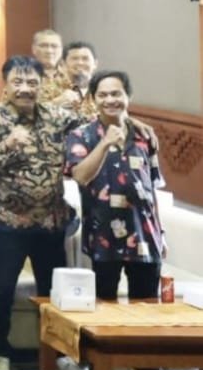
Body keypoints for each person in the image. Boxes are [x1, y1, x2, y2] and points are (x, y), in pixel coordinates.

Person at [0, 56, 79, 370]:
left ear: (42, 85)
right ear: (5, 85)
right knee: (1, 289)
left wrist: (131, 123)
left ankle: (56, 353)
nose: (25, 88)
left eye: (32, 82)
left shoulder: (58, 117)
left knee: (53, 291)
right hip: (7, 223)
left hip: (50, 222)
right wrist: (7, 144)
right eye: (18, 82)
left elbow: (94, 129)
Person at [66, 71, 165, 304]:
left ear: (128, 96)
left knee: (146, 311)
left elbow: (152, 189)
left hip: (145, 238)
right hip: (103, 238)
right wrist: (105, 143)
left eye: (116, 94)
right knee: (103, 310)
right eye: (102, 95)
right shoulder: (81, 136)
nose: (110, 100)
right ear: (93, 99)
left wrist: (161, 234)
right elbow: (80, 176)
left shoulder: (145, 136)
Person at [51, 41, 99, 117]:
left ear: (95, 64)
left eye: (85, 58)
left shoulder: (103, 90)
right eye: (74, 59)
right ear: (63, 63)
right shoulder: (50, 88)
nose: (80, 63)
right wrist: (55, 103)